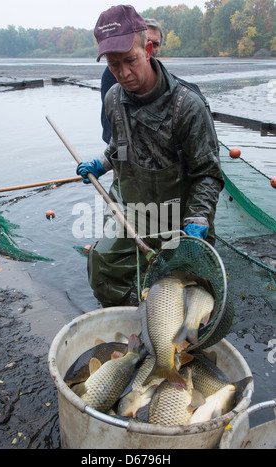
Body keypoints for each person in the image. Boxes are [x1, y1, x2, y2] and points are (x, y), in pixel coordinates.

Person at [77, 5, 224, 308]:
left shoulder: (188, 105)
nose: (123, 73)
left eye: (130, 61)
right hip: (133, 208)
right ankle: (130, 319)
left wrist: (197, 218)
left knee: (188, 291)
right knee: (102, 263)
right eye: (113, 65)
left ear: (147, 49)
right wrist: (102, 163)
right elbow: (122, 147)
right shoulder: (113, 99)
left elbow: (208, 173)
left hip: (180, 214)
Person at [101, 17, 163, 144]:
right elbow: (110, 117)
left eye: (156, 44)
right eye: (147, 40)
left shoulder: (162, 77)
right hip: (120, 142)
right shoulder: (113, 74)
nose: (124, 73)